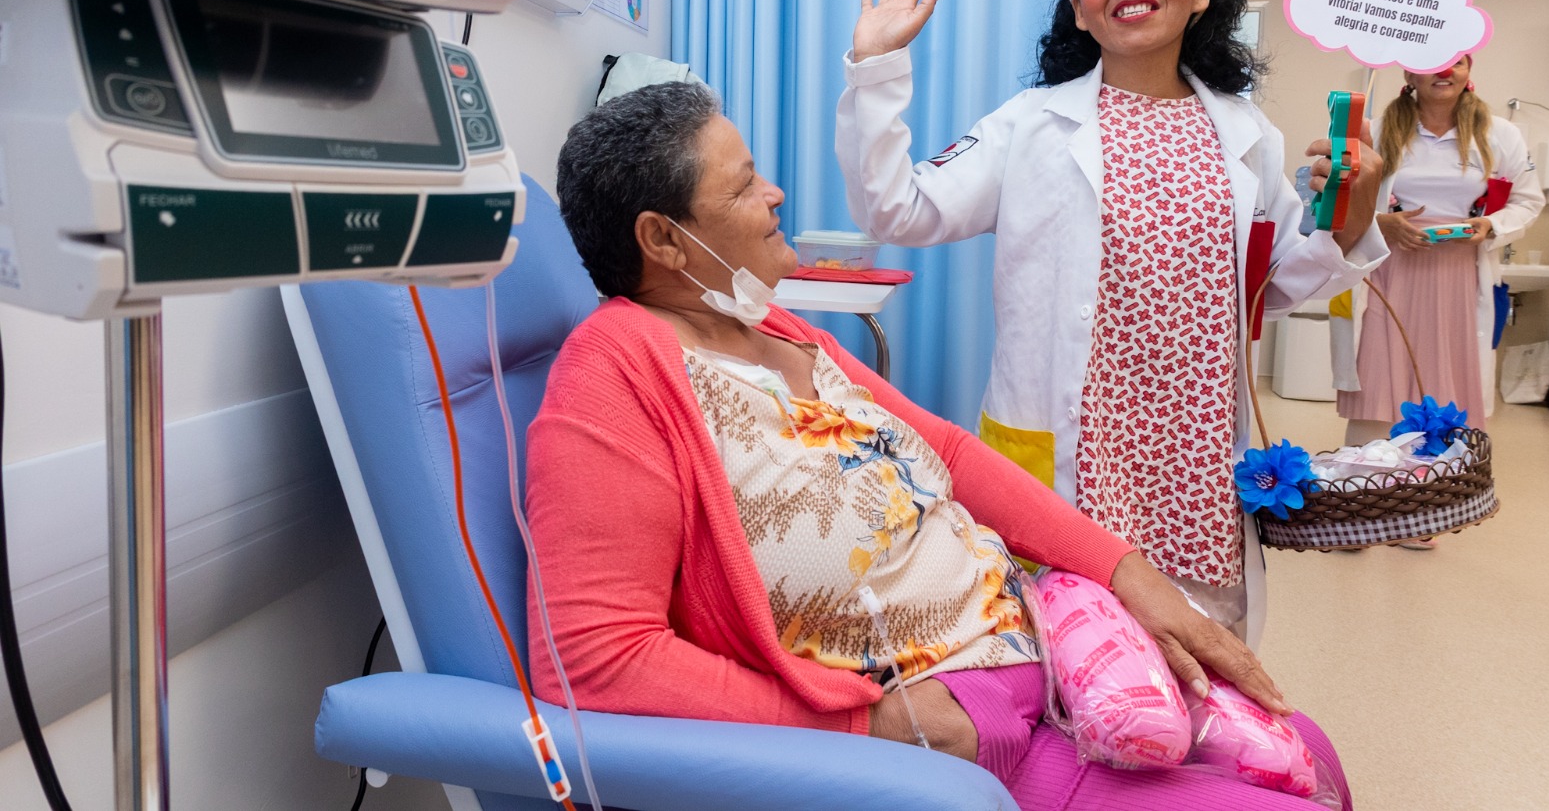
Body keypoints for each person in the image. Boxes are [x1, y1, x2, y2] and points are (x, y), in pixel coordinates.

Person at [525, 82, 1352, 810]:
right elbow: (595, 658)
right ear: (664, 241)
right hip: (963, 743)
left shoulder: (769, 325)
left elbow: (947, 452)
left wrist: (1128, 576)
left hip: (1043, 647)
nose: (774, 194)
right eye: (743, 186)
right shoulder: (614, 376)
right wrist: (879, 725)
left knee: (1313, 756)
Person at [834, 0, 1388, 646]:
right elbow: (896, 210)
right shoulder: (1030, 124)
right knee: (1070, 660)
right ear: (1082, 9)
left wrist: (1354, 212)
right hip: (1073, 458)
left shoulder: (1246, 134)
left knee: (1202, 662)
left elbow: (1275, 284)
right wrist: (876, 71)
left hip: (1192, 469)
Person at [1336, 54, 1544, 446]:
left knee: (1451, 378)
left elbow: (1529, 201)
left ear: (1469, 72)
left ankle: (1439, 477)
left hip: (1459, 276)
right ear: (1410, 73)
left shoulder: (1499, 134)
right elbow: (1341, 200)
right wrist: (1382, 223)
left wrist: (1491, 225)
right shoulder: (1378, 131)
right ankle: (1369, 472)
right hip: (1390, 272)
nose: (1445, 71)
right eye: (1433, 62)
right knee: (1379, 376)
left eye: (1457, 62)